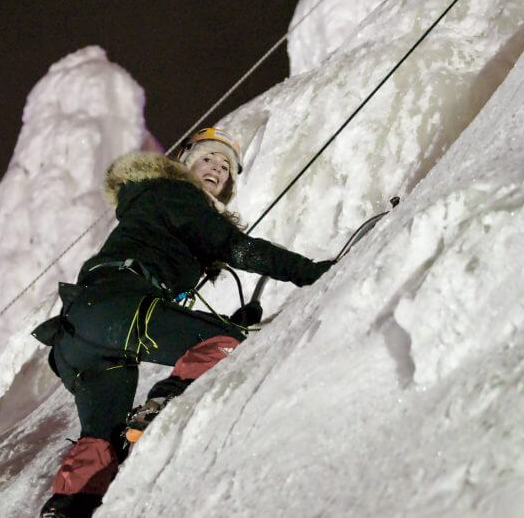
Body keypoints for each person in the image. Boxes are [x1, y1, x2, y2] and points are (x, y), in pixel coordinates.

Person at [34, 127, 333, 517]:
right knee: (221, 342)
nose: (216, 169)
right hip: (118, 306)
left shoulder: (153, 203)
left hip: (79, 333)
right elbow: (234, 247)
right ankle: (164, 405)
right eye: (207, 158)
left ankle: (67, 507)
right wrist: (311, 272)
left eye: (225, 167)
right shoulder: (177, 193)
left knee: (102, 440)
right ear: (184, 163)